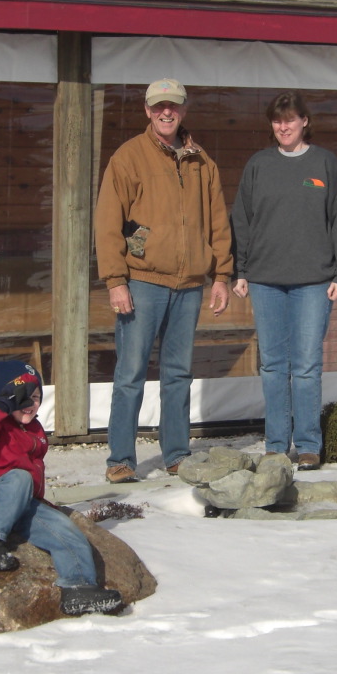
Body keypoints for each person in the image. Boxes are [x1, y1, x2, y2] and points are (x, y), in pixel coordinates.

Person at [93, 77, 233, 483]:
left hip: (189, 286)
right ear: (147, 111)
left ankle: (176, 454)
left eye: (172, 106)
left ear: (183, 110)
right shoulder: (128, 157)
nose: (165, 112)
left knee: (177, 374)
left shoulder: (202, 161)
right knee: (131, 372)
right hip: (142, 281)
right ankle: (120, 458)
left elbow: (218, 223)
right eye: (158, 107)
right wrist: (115, 280)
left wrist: (221, 275)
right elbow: (107, 223)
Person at [230, 92, 337, 470]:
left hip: (313, 283)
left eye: (290, 120)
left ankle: (307, 445)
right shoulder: (259, 165)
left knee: (305, 366)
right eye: (277, 121)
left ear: (305, 121)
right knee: (272, 365)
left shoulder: (324, 163)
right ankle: (275, 444)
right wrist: (240, 269)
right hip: (266, 281)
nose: (283, 127)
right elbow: (242, 219)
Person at [0, 360, 124, 616]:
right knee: (19, 478)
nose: (31, 404)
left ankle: (79, 589)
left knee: (66, 531)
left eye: (36, 397)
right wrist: (0, 408)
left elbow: (34, 470)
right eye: (22, 397)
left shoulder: (34, 429)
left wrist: (42, 503)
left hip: (25, 504)